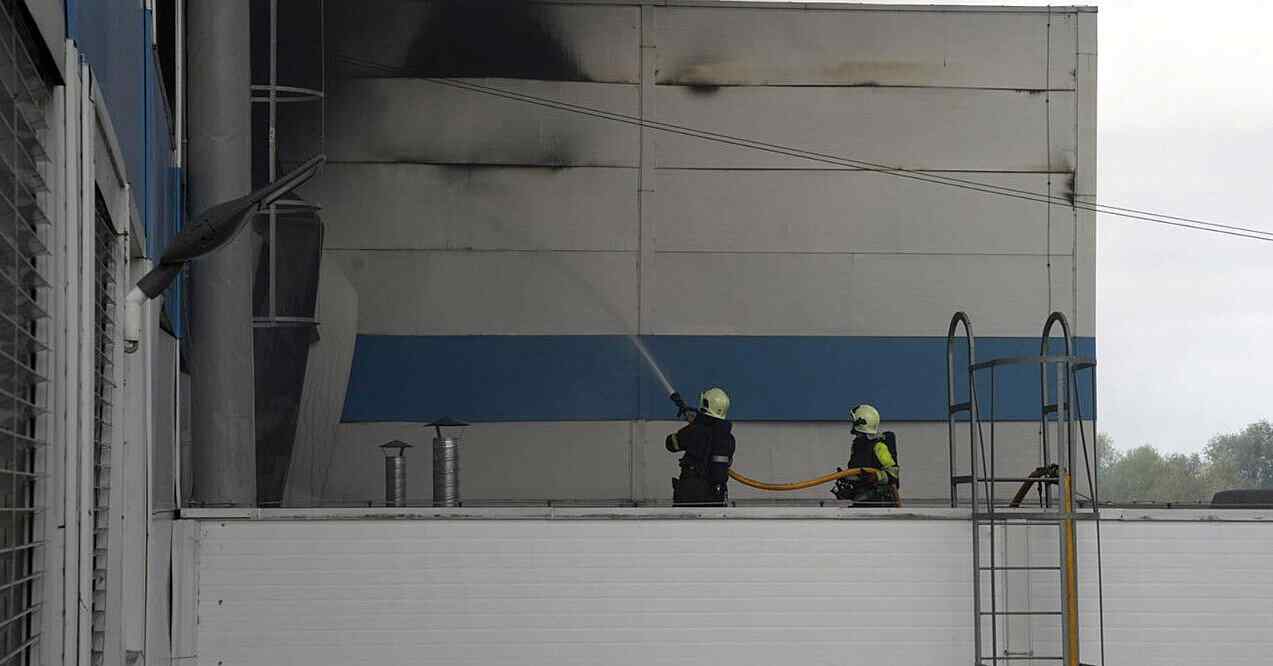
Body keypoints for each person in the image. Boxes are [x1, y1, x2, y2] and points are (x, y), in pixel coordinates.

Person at [665, 387, 735, 507]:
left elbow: (670, 444)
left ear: (705, 404)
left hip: (690, 493)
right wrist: (698, 421)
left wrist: (696, 423)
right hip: (716, 496)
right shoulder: (729, 438)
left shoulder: (695, 430)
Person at [832, 404, 900, 506]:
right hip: (862, 499)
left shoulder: (879, 447)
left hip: (878, 503)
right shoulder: (857, 445)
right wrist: (847, 478)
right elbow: (857, 471)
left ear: (862, 423)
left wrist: (875, 476)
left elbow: (893, 474)